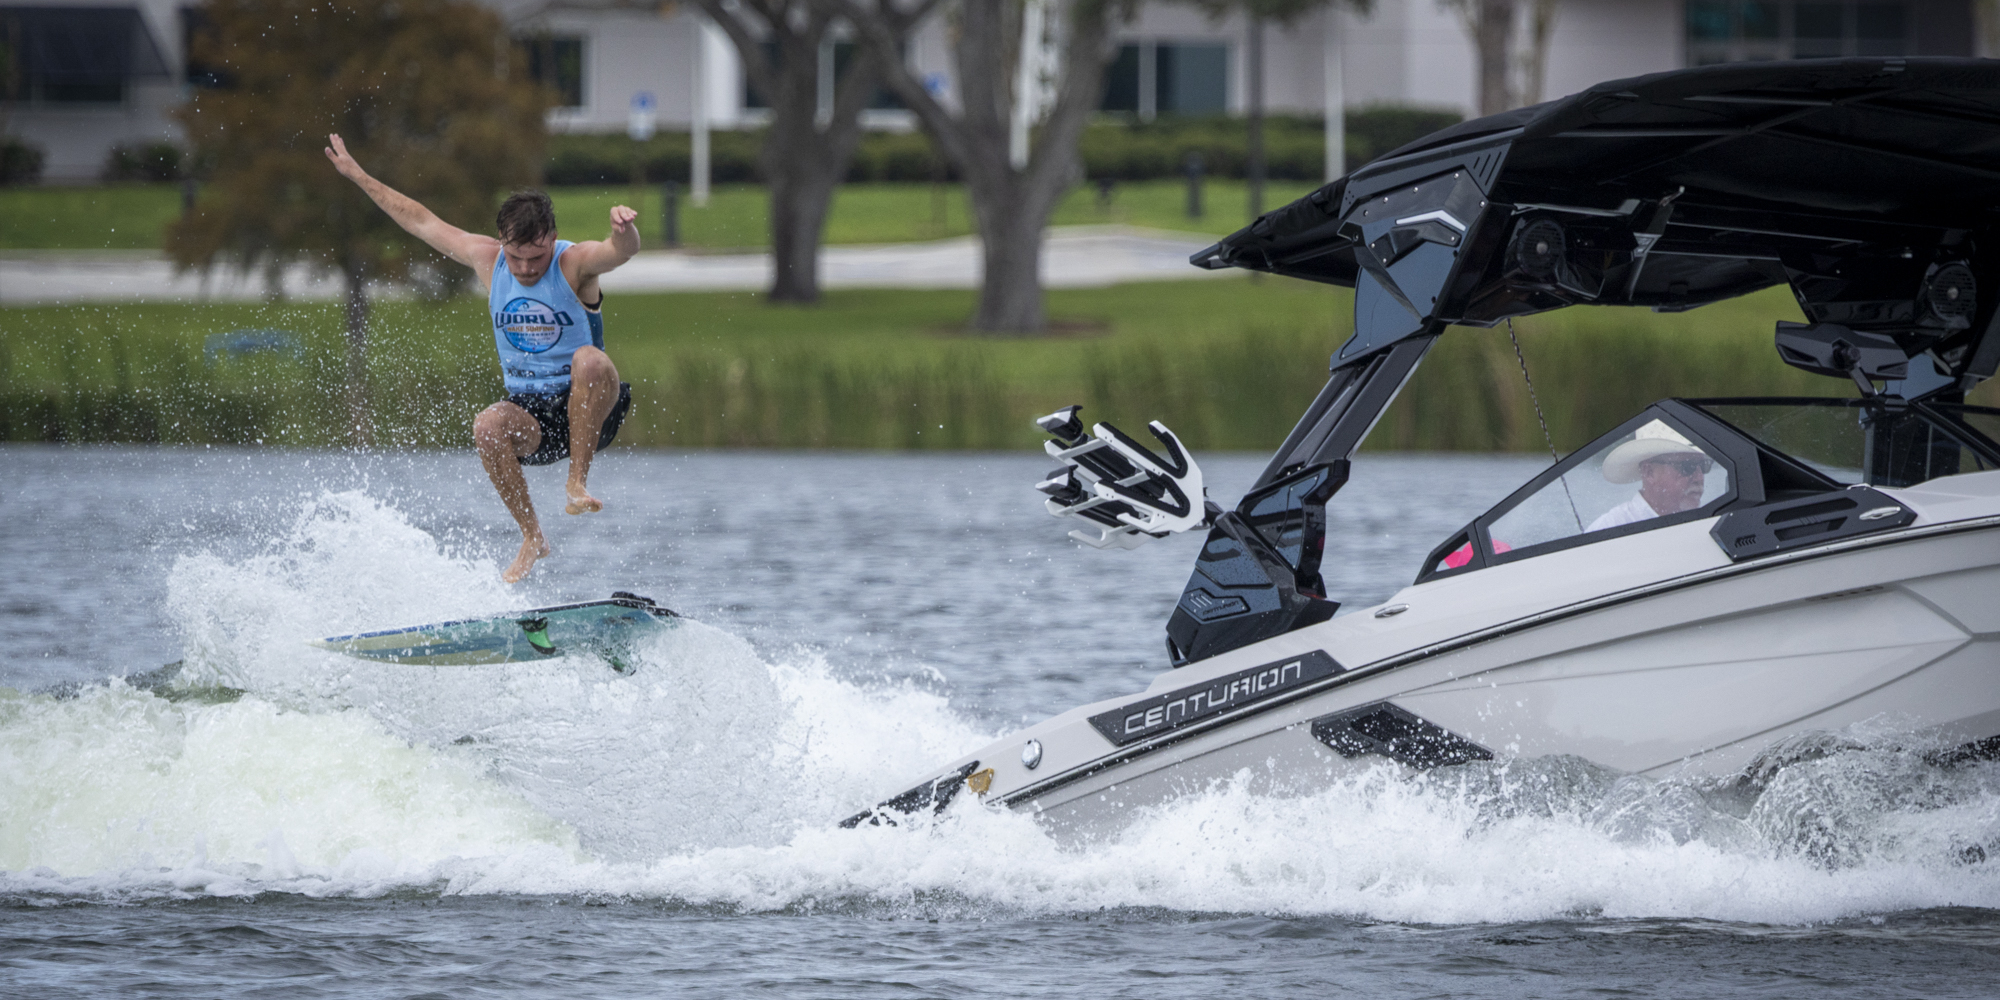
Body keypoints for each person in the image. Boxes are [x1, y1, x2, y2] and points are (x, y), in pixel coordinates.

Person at [324, 134, 639, 582]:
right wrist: (359, 177)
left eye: (536, 257)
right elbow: (420, 220)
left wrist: (623, 231)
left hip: (591, 407)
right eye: (516, 257)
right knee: (486, 424)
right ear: (501, 241)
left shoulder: (574, 263)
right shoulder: (487, 260)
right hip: (534, 418)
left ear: (552, 239)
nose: (527, 269)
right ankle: (533, 536)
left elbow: (619, 253)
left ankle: (577, 483)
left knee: (588, 358)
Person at [1587, 419, 1714, 532]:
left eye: (1704, 466)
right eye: (1688, 467)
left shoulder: (1709, 525)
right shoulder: (1608, 529)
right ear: (1649, 472)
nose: (1699, 478)